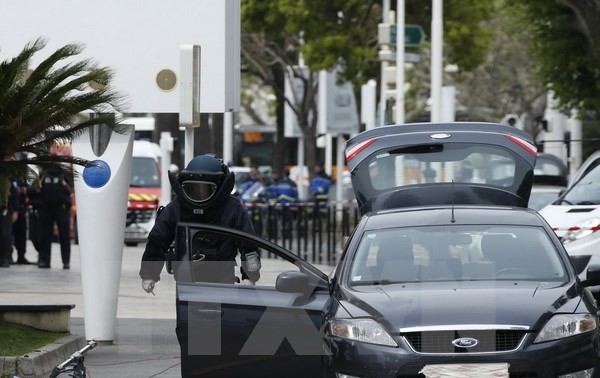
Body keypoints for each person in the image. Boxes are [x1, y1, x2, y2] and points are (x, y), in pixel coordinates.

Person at [139, 154, 261, 294]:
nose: (199, 193)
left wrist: (250, 277)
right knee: (188, 314)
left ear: (219, 187)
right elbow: (157, 240)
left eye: (205, 189)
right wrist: (149, 274)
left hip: (223, 280)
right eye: (194, 189)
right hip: (186, 280)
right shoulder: (177, 207)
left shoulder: (232, 208)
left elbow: (249, 245)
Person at [36, 164, 74, 269]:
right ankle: (44, 260)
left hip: (62, 208)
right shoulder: (44, 174)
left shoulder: (65, 174)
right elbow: (36, 189)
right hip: (46, 208)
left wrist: (65, 184)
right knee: (45, 236)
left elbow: (73, 191)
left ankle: (66, 261)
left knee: (65, 236)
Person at [11, 176, 33, 264]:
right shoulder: (8, 176)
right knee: (9, 234)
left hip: (21, 210)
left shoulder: (21, 178)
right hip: (11, 210)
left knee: (21, 234)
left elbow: (29, 188)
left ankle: (21, 256)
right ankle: (7, 256)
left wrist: (25, 189)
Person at [0, 178, 20, 267]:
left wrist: (15, 210)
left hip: (6, 210)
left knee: (5, 235)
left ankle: (4, 258)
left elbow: (15, 195)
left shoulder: (9, 178)